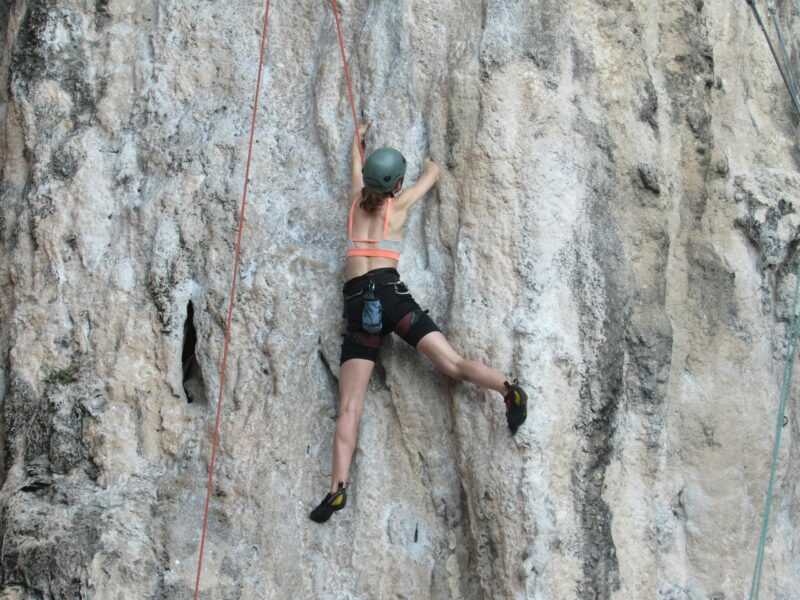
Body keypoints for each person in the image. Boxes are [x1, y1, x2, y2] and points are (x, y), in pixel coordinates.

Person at [309, 121, 528, 523]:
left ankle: (336, 490)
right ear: (395, 186)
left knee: (349, 407)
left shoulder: (355, 201)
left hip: (358, 307)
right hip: (392, 299)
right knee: (452, 364)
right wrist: (427, 163)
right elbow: (433, 174)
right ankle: (508, 389)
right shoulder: (401, 204)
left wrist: (359, 140)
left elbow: (356, 166)